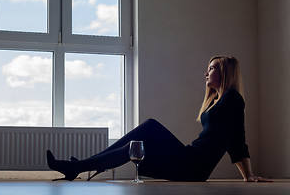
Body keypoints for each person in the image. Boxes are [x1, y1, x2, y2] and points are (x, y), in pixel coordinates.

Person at [46, 56, 271, 182]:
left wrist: (248, 175)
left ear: (225, 72)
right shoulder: (216, 101)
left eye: (211, 68)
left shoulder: (232, 98)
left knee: (146, 132)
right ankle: (80, 166)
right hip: (190, 161)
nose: (206, 73)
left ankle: (79, 167)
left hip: (193, 166)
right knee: (135, 145)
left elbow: (237, 140)